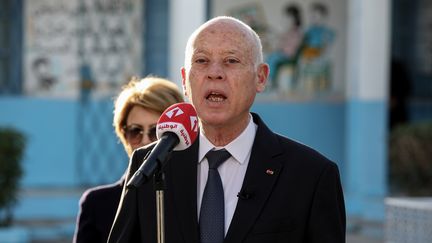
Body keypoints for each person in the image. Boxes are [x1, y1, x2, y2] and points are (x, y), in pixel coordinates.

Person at [108, 16, 346, 243]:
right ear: (184, 79)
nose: (214, 73)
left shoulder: (311, 176)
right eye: (201, 61)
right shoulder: (151, 165)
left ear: (261, 77)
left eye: (231, 60)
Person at [73, 76, 184, 243]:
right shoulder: (97, 204)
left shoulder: (196, 195)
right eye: (135, 131)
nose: (146, 140)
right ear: (124, 136)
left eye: (156, 131)